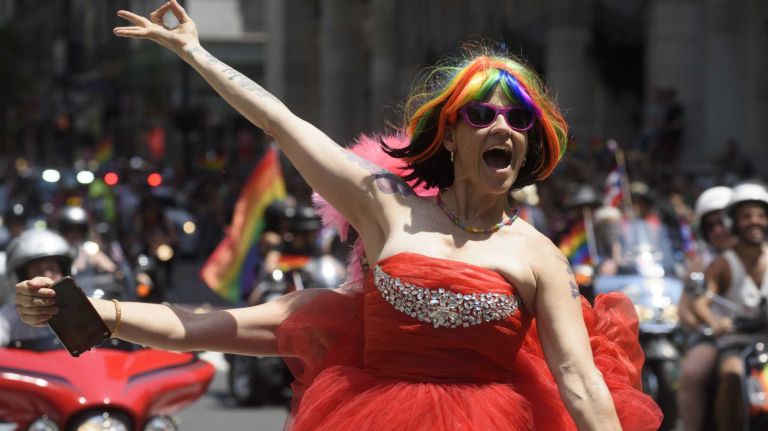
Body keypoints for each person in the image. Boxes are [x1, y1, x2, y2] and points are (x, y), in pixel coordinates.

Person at [14, 2, 661, 430]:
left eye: (519, 119)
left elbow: (580, 382)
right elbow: (281, 124)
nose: (503, 126)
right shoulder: (384, 207)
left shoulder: (539, 254)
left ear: (530, 144)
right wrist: (195, 52)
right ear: (451, 135)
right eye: (482, 114)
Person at [691, 182, 768, 431]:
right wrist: (715, 322)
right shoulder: (723, 264)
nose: (755, 221)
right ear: (733, 221)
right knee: (732, 373)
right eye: (746, 216)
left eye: (760, 215)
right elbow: (702, 302)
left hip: (766, 338)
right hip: (736, 342)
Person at [676, 186, 734, 431]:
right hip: (716, 339)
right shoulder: (701, 263)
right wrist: (703, 322)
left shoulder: (759, 254)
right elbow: (686, 309)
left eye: (723, 221)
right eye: (711, 225)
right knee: (692, 372)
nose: (719, 229)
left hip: (759, 334)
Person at [0, 228, 72, 346]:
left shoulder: (80, 308)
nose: (47, 275)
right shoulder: (8, 317)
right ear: (21, 278)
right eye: (38, 270)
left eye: (52, 267)